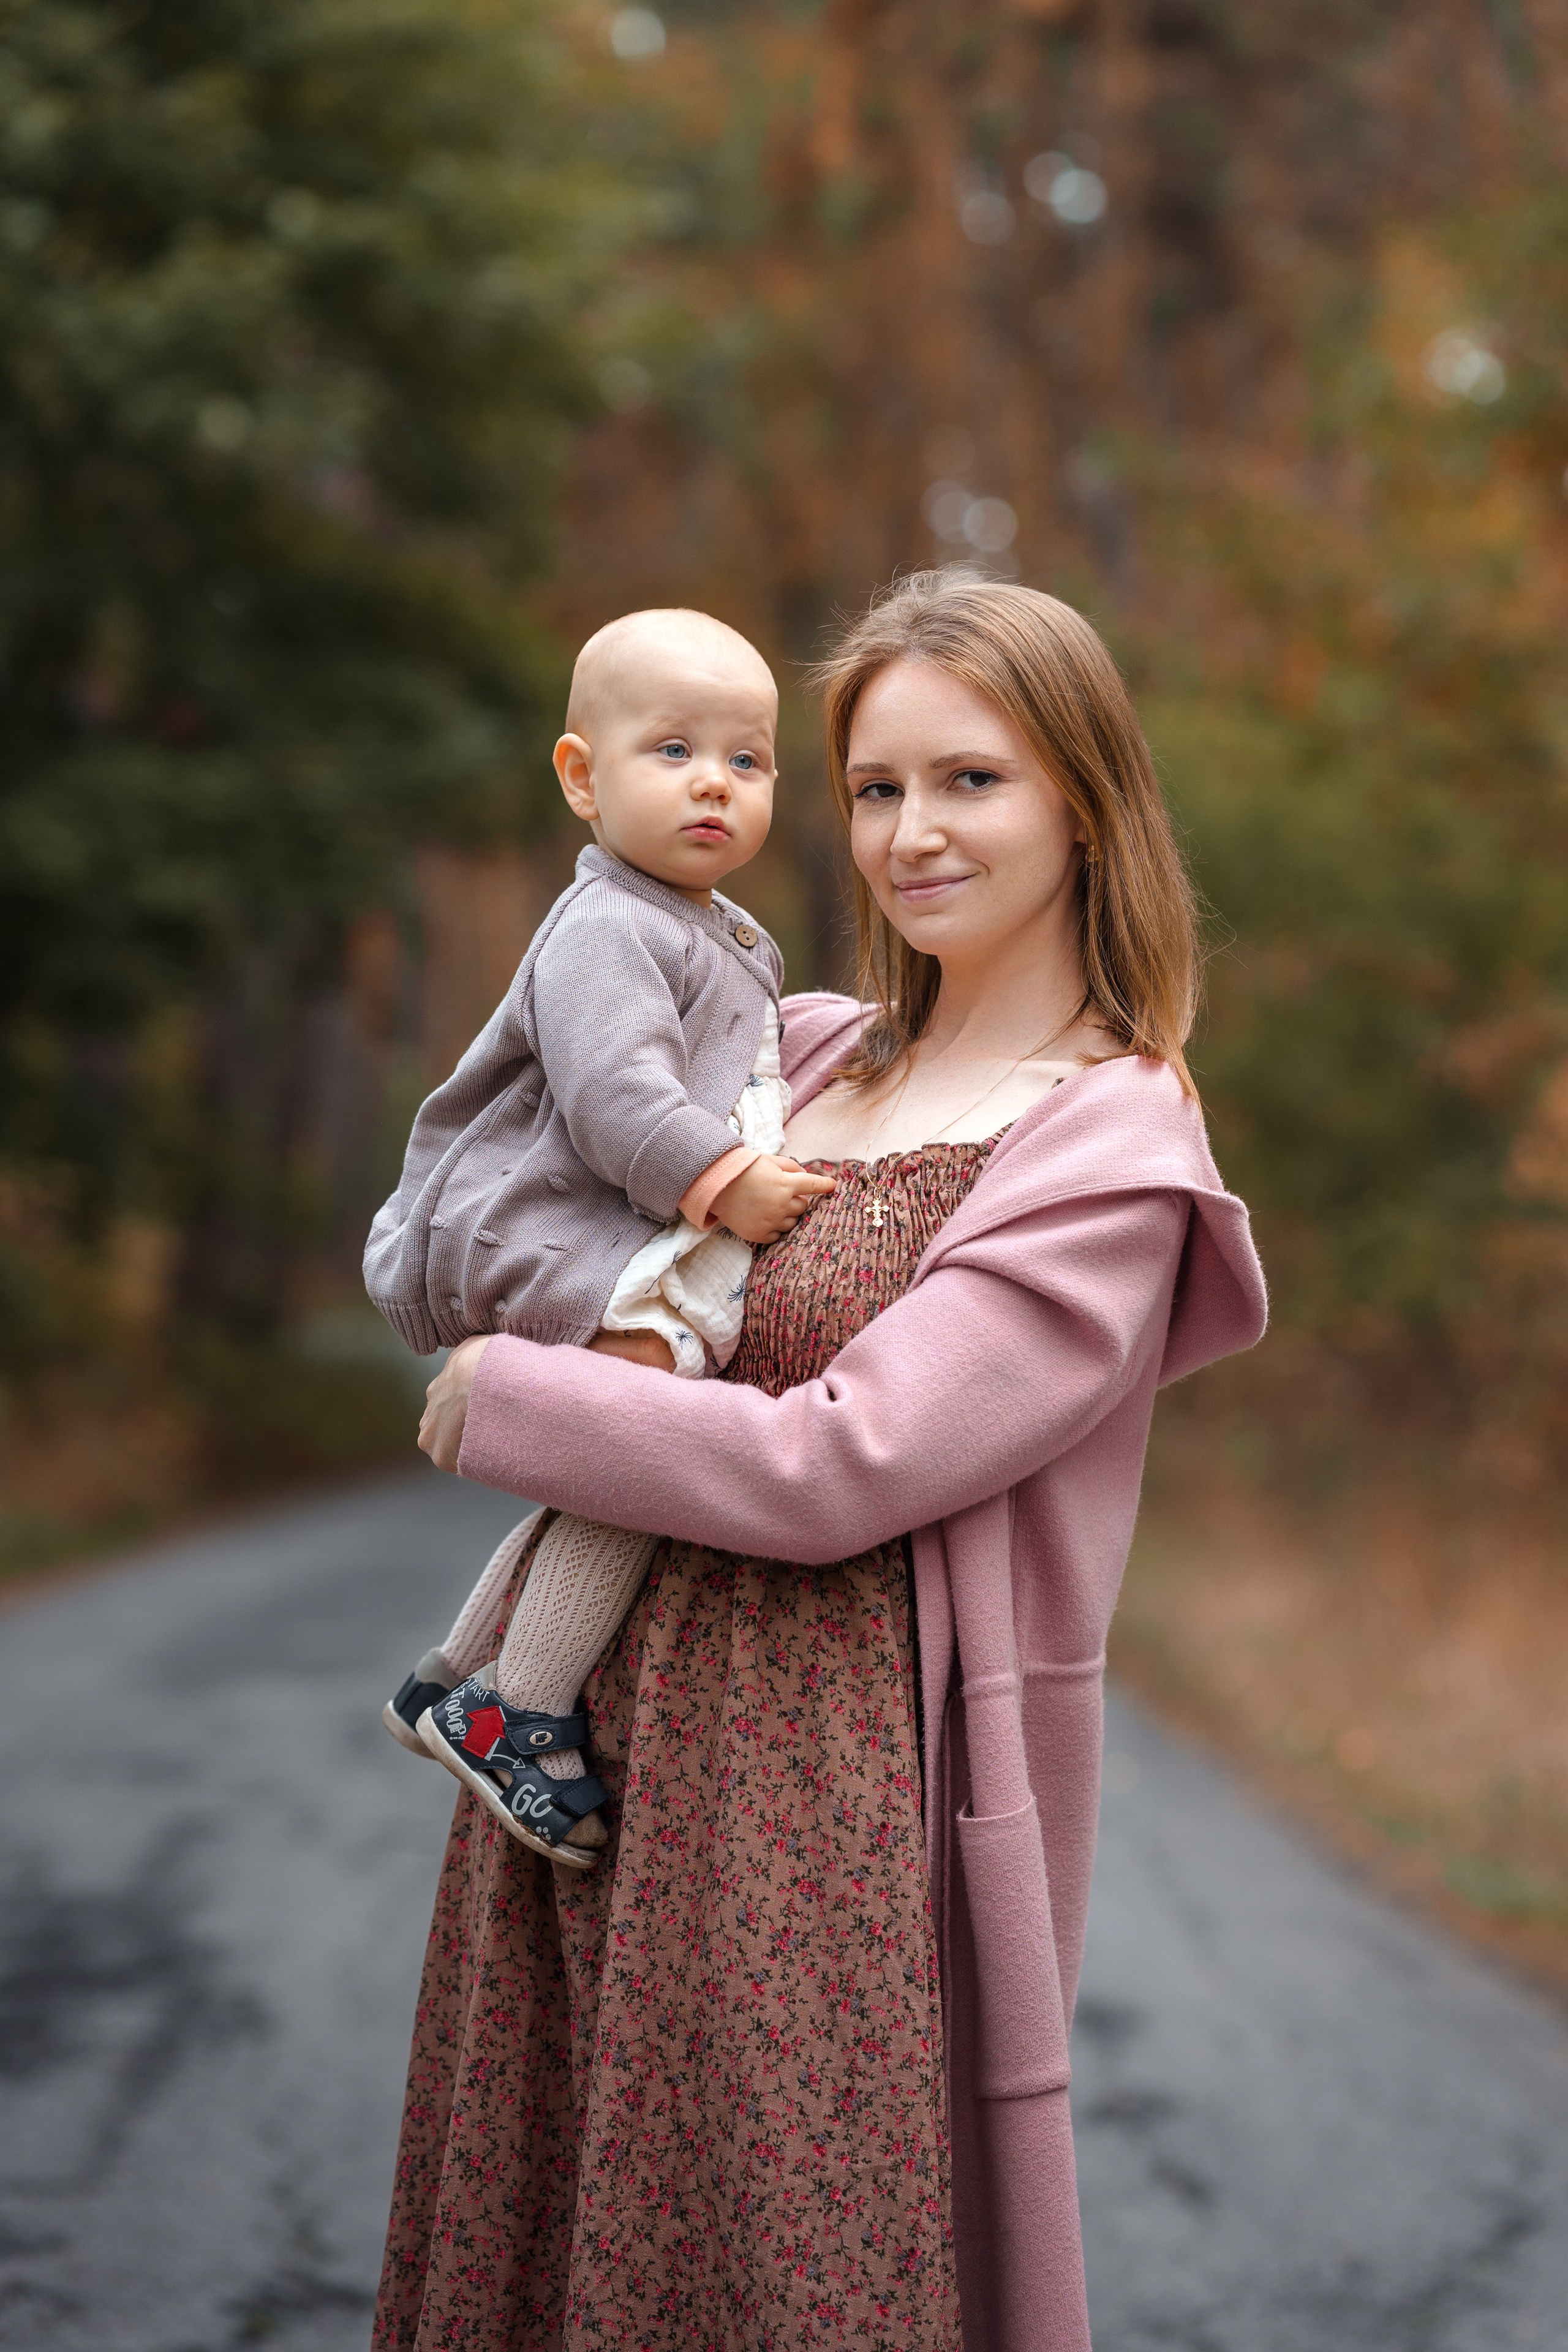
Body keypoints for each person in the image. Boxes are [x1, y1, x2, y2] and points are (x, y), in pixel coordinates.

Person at [374, 569, 1267, 2352]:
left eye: (971, 781)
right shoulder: (797, 1053)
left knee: (764, 2277)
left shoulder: (1113, 1143)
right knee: (544, 2243)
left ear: (1087, 799)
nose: (910, 834)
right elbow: (498, 1171)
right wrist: (472, 1270)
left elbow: (839, 1467)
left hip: (815, 1823)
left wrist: (511, 1394)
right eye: (873, 788)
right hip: (579, 1768)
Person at [363, 606, 832, 1861]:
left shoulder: (705, 927)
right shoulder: (609, 927)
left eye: (746, 761)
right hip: (534, 1226)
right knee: (645, 1439)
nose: (713, 787)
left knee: (602, 1461)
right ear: (580, 777)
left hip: (597, 1227)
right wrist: (723, 1180)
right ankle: (519, 1711)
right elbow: (613, 1094)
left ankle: (453, 1674)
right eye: (671, 751)